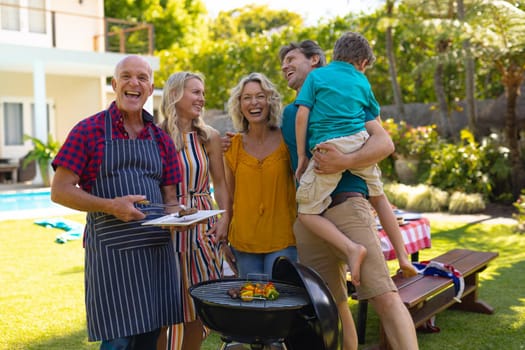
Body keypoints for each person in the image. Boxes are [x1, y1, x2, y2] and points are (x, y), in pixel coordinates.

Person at [279, 40, 419, 350]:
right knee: (332, 304)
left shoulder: (345, 100)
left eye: (291, 59)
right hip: (310, 220)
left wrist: (345, 160)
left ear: (315, 60)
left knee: (383, 295)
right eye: (282, 63)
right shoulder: (291, 113)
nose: (285, 66)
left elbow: (383, 142)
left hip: (346, 207)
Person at [50, 55, 183, 349]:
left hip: (155, 257)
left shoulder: (161, 139)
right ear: (114, 84)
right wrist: (111, 205)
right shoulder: (88, 131)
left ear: (150, 89)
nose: (134, 83)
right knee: (118, 342)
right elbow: (59, 190)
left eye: (142, 78)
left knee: (149, 338)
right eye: (126, 76)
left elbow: (171, 199)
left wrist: (181, 218)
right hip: (112, 258)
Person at [294, 32, 387, 286]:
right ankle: (403, 257)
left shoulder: (316, 76)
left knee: (306, 212)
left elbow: (302, 115)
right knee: (378, 194)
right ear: (363, 63)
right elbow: (376, 122)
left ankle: (351, 248)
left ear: (334, 54)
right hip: (359, 142)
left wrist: (302, 156)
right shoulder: (362, 81)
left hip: (329, 147)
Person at [157, 72, 231, 350]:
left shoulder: (208, 136)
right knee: (165, 308)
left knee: (197, 307)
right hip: (166, 228)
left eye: (203, 92)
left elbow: (221, 184)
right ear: (176, 94)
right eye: (195, 92)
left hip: (202, 228)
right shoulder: (156, 135)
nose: (202, 98)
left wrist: (224, 219)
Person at [223, 72, 297, 278]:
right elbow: (228, 199)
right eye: (247, 97)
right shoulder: (232, 146)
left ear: (270, 100)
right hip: (243, 243)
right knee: (252, 304)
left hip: (283, 239)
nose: (253, 103)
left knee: (280, 304)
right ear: (239, 105)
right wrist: (224, 241)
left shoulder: (287, 140)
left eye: (260, 96)